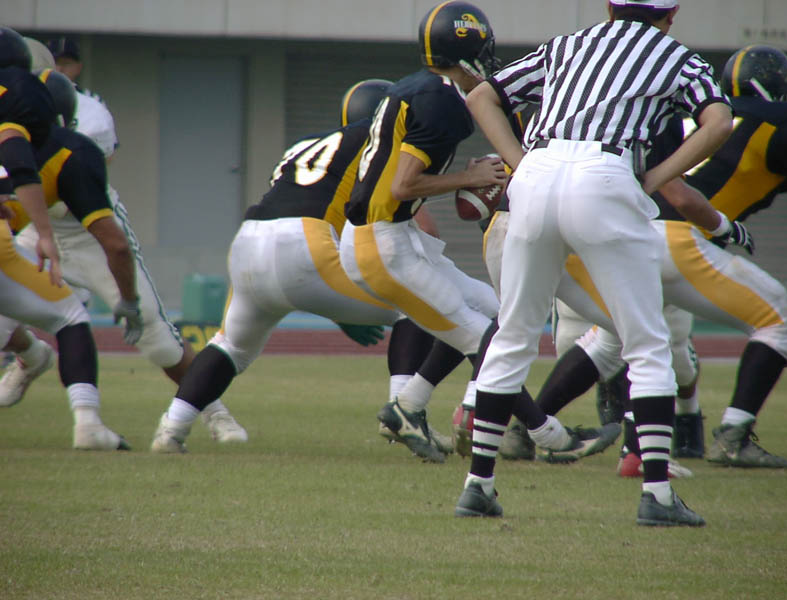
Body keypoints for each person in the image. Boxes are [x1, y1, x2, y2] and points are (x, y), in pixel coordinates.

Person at [456, 0, 733, 526]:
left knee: (514, 332)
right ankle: (658, 495)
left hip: (537, 175)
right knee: (646, 342)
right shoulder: (677, 56)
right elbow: (718, 122)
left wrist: (520, 163)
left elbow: (481, 96)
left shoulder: (569, 44)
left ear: (610, 6)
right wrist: (655, 178)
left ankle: (478, 485)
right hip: (607, 174)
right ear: (671, 15)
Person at [567, 44, 787, 469]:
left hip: (631, 232)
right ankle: (733, 435)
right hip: (681, 238)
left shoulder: (697, 115)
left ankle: (532, 425)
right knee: (783, 324)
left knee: (614, 339)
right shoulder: (780, 122)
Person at [2, 47, 247, 443]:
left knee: (155, 335)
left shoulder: (86, 123)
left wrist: (128, 298)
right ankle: (31, 357)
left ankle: (213, 410)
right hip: (36, 225)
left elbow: (91, 200)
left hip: (88, 227)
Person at [149, 79, 409, 452]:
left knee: (230, 346)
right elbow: (363, 223)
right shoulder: (375, 143)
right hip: (304, 244)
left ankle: (172, 429)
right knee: (413, 309)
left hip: (249, 239)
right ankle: (404, 416)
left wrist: (339, 308)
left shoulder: (306, 146)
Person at [339, 1, 508, 461]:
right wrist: (470, 177)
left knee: (496, 314)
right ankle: (542, 431)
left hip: (392, 236)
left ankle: (408, 407)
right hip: (382, 242)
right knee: (487, 340)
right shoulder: (442, 100)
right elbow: (404, 185)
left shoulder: (417, 87)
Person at [0, 26, 127, 450]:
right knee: (71, 316)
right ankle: (87, 423)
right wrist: (45, 233)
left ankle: (32, 357)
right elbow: (17, 155)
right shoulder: (23, 95)